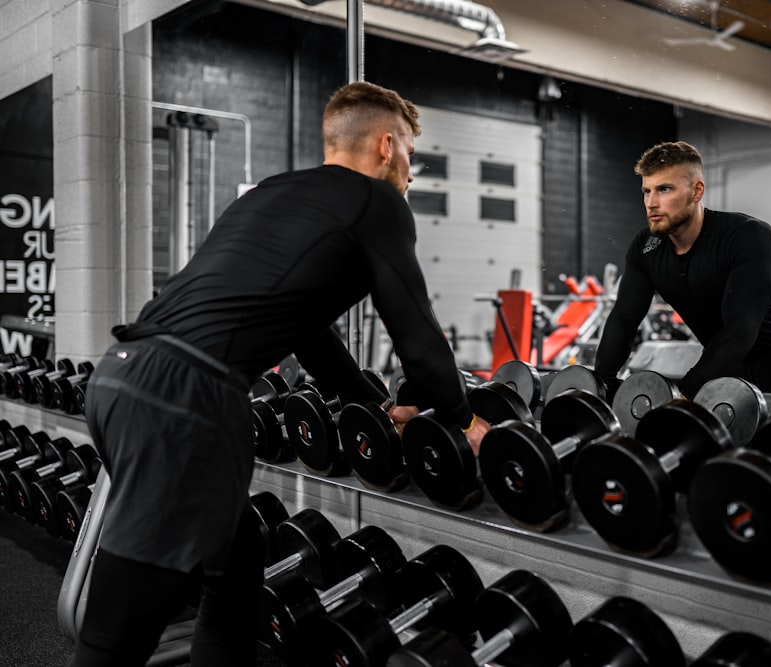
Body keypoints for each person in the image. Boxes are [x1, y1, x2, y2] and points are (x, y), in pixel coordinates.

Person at [69, 81, 490, 667]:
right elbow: (418, 338)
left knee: (236, 562)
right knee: (123, 626)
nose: (412, 175)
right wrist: (465, 418)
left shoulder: (272, 193)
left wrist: (360, 400)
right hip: (185, 398)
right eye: (412, 157)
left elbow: (308, 330)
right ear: (387, 146)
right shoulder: (377, 201)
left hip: (121, 376)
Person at [594, 140, 771, 400]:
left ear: (696, 191)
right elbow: (624, 319)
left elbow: (740, 328)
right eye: (646, 191)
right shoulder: (646, 248)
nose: (651, 203)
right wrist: (600, 384)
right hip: (720, 363)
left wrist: (686, 392)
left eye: (664, 189)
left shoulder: (748, 236)